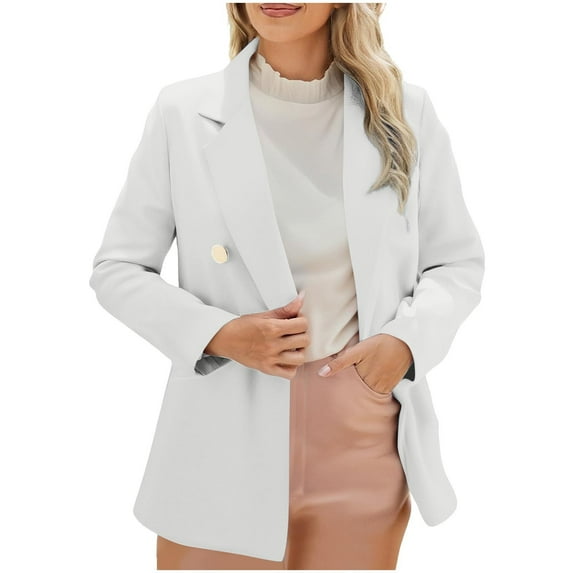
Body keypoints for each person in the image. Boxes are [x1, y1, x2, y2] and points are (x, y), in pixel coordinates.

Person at [89, 2, 485, 570]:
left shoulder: (404, 111)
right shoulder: (183, 111)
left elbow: (456, 262)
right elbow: (118, 267)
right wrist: (220, 334)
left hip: (362, 436)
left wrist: (403, 345)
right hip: (224, 432)